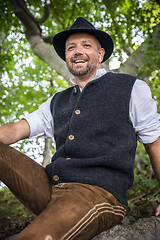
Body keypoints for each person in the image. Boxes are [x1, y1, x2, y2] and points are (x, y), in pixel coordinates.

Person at [0, 17, 160, 240]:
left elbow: (155, 143)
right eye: (71, 47)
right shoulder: (56, 102)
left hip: (99, 194)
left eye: (86, 45)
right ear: (66, 56)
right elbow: (16, 130)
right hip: (51, 186)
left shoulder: (131, 88)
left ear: (101, 54)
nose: (78, 51)